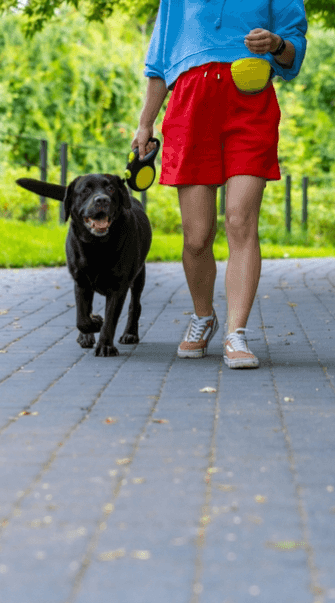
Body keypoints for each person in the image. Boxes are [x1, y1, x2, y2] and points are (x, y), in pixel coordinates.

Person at [132, 0, 307, 369]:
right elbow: (159, 62)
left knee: (240, 221)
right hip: (190, 104)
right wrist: (145, 123)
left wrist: (276, 44)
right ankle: (203, 316)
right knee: (197, 236)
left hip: (250, 102)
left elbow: (294, 50)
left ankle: (236, 332)